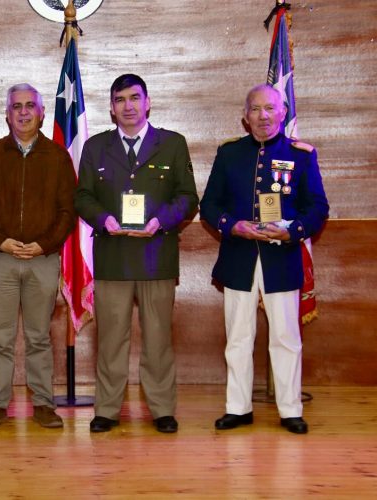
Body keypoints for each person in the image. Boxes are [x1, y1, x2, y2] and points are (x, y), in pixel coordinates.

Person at [199, 84, 329, 434]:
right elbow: (209, 205)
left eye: (270, 108)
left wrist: (292, 231)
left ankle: (290, 409)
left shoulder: (301, 155)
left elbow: (318, 207)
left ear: (283, 112)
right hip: (239, 257)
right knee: (238, 336)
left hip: (282, 258)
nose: (263, 116)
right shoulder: (229, 154)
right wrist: (233, 225)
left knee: (286, 336)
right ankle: (238, 408)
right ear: (245, 116)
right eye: (255, 109)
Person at [75, 74, 198, 434]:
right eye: (120, 100)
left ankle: (161, 408)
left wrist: (161, 221)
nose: (128, 106)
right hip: (113, 257)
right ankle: (107, 410)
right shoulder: (96, 147)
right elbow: (82, 197)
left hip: (156, 256)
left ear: (148, 102)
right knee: (111, 339)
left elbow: (188, 197)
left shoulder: (172, 144)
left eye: (134, 98)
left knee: (158, 338)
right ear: (111, 108)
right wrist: (104, 218)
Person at [0, 83, 76, 429]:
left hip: (42, 261)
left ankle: (44, 404)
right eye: (16, 106)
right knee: (1, 336)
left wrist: (44, 245)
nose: (23, 111)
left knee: (38, 337)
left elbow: (67, 211)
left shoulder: (58, 157)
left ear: (42, 112)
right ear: (7, 113)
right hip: (0, 259)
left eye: (30, 105)